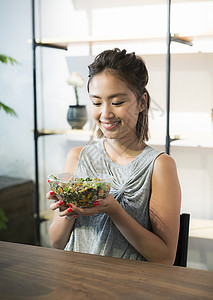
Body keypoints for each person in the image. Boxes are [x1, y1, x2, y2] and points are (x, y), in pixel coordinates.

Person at [47, 48, 181, 264]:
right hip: (76, 280)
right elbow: (56, 242)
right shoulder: (77, 157)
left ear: (142, 102)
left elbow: (165, 258)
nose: (106, 113)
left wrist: (114, 210)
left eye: (117, 102)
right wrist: (69, 210)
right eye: (97, 102)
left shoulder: (159, 166)